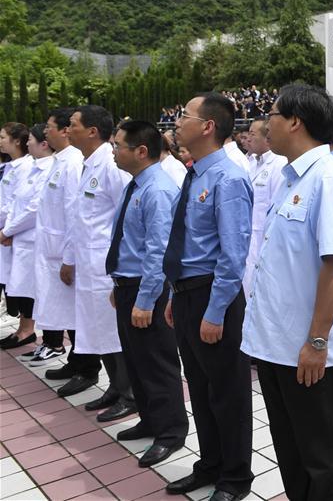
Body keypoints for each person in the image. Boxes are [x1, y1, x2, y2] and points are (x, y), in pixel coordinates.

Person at [241, 86, 333, 500]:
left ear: (295, 121)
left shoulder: (331, 178)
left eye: (272, 114)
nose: (265, 123)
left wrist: (317, 341)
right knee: (291, 453)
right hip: (276, 347)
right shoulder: (292, 178)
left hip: (308, 353)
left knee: (322, 459)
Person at [164, 92, 254, 500]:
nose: (177, 121)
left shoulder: (229, 177)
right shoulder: (194, 173)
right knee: (199, 388)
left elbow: (233, 256)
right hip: (186, 295)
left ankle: (235, 477)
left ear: (208, 126)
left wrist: (215, 311)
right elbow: (186, 243)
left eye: (185, 115)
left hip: (213, 298)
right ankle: (211, 464)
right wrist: (173, 295)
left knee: (227, 393)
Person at [108, 121, 189, 467]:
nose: (113, 151)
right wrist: (120, 285)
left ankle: (171, 431)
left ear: (141, 151)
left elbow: (158, 252)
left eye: (118, 145)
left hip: (148, 291)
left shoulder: (157, 190)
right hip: (129, 285)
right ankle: (151, 419)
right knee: (137, 360)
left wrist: (144, 299)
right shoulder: (137, 185)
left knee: (157, 363)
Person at [67, 105, 135, 422]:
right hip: (89, 263)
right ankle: (115, 387)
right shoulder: (88, 164)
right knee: (98, 329)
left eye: (73, 125)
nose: (68, 129)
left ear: (92, 131)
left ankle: (130, 393)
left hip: (107, 266)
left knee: (114, 331)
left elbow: (129, 218)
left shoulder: (112, 166)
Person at [33, 109, 97, 394]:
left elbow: (75, 214)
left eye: (50, 127)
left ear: (63, 131)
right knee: (67, 314)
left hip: (66, 254)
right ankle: (75, 361)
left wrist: (69, 258)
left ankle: (87, 368)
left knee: (77, 315)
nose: (45, 132)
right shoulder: (59, 162)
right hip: (54, 251)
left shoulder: (73, 164)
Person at [5, 125, 55, 365]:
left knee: (36, 291)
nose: (27, 144)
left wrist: (8, 229)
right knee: (25, 289)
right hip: (20, 237)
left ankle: (45, 339)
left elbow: (34, 208)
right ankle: (30, 333)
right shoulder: (32, 167)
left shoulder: (47, 168)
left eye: (31, 140)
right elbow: (15, 202)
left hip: (32, 238)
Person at [0, 123, 36, 350]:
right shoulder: (11, 166)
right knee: (15, 285)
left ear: (16, 141)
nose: (0, 140)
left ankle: (27, 330)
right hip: (8, 233)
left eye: (2, 137)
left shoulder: (25, 167)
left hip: (15, 234)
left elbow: (18, 204)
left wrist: (7, 229)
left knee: (24, 285)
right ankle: (23, 329)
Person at [242, 118, 286, 297]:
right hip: (248, 237)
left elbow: (276, 207)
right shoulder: (250, 163)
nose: (248, 139)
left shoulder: (279, 164)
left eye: (252, 134)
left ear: (266, 137)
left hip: (263, 238)